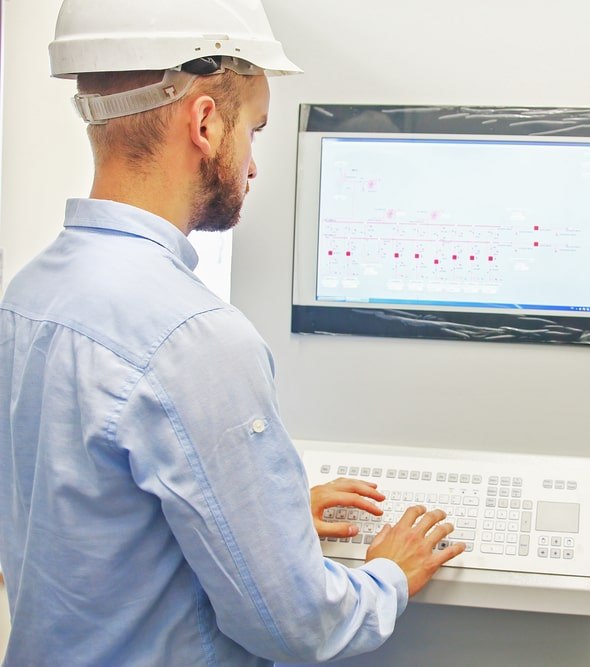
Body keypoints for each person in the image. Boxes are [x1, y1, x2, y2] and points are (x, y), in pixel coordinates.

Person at [0, 2, 465, 664]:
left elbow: (90, 525)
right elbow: (299, 625)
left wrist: (259, 523)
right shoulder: (195, 338)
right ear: (205, 122)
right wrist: (389, 572)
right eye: (255, 129)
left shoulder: (29, 296)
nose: (252, 166)